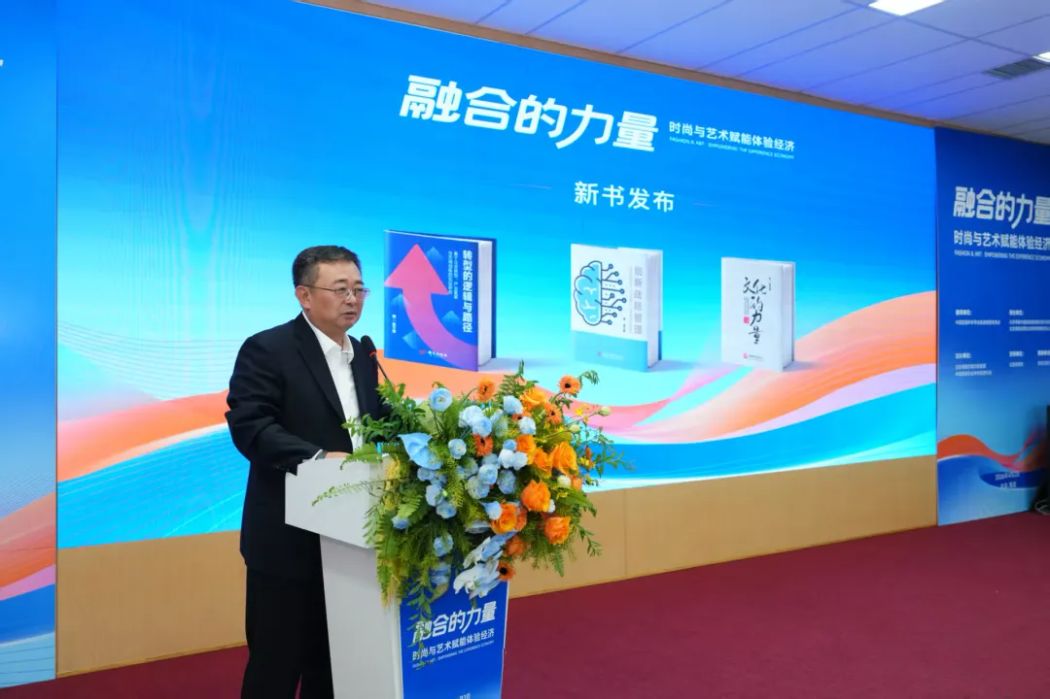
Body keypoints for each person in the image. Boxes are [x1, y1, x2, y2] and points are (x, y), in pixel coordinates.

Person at [226, 245, 385, 698]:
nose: (352, 299)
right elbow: (251, 425)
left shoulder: (363, 352)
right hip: (287, 539)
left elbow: (378, 420)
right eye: (340, 289)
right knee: (276, 668)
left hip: (351, 540)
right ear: (304, 295)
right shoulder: (268, 349)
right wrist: (317, 458)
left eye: (359, 289)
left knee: (335, 667)